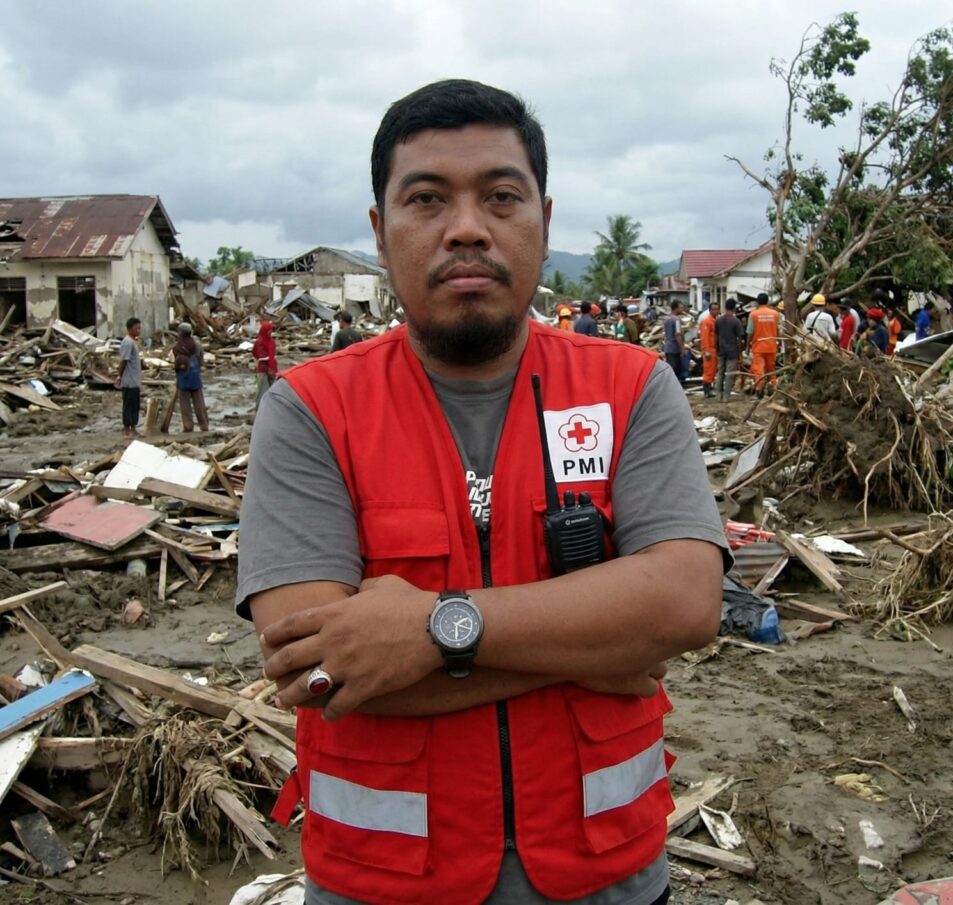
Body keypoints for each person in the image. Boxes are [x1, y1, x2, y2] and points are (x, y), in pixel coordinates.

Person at [236, 78, 727, 905]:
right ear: (379, 231)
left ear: (544, 216)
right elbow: (319, 667)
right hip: (382, 884)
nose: (467, 227)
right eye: (426, 199)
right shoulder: (310, 410)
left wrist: (430, 630)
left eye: (501, 196)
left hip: (608, 876)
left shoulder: (632, 387)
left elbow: (685, 603)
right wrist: (600, 648)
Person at [172, 322, 209, 432]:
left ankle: (188, 426)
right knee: (199, 402)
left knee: (185, 403)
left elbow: (176, 361)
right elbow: (201, 360)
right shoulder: (196, 345)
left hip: (183, 376)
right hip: (195, 375)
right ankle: (204, 425)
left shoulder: (177, 346)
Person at [746, 293, 781, 397]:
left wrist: (747, 346)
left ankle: (759, 390)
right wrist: (778, 343)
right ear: (768, 301)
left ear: (757, 302)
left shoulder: (753, 314)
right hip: (771, 346)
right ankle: (773, 388)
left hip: (758, 347)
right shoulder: (775, 314)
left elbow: (750, 332)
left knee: (759, 370)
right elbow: (778, 330)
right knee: (771, 369)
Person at [115, 317, 142, 438]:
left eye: (139, 328)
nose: (139, 331)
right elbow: (124, 361)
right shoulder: (127, 342)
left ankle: (134, 428)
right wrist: (119, 375)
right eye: (136, 328)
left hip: (135, 380)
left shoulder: (133, 342)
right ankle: (126, 429)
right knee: (128, 405)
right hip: (129, 380)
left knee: (135, 405)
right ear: (130, 329)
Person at [715, 298, 745, 400]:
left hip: (721, 349)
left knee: (720, 372)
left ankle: (718, 395)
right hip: (732, 350)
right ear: (734, 308)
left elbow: (716, 336)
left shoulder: (718, 320)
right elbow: (739, 339)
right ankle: (726, 396)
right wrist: (740, 352)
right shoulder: (736, 321)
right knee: (729, 374)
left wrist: (716, 348)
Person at [252, 320, 278, 409]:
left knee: (273, 390)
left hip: (272, 368)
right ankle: (259, 409)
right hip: (263, 369)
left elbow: (271, 355)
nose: (271, 332)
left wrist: (273, 369)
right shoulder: (260, 341)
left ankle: (270, 408)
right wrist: (268, 369)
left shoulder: (270, 341)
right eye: (269, 330)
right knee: (262, 391)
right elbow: (260, 356)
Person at [699, 301, 719, 398]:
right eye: (713, 309)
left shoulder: (715, 321)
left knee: (712, 370)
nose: (716, 311)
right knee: (708, 370)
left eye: (717, 309)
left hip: (713, 349)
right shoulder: (707, 322)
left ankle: (709, 390)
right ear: (710, 310)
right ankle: (707, 391)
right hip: (709, 349)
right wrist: (706, 351)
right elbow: (705, 337)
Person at [663, 300, 686, 382]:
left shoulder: (666, 319)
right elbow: (678, 334)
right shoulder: (676, 320)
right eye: (681, 308)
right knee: (675, 369)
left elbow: (665, 334)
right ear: (676, 308)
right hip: (675, 348)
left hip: (668, 347)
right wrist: (682, 348)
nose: (682, 309)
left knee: (670, 368)